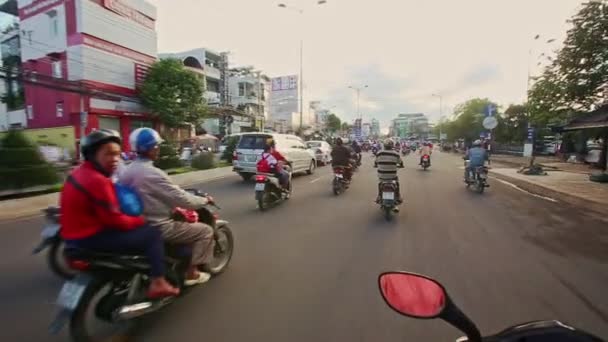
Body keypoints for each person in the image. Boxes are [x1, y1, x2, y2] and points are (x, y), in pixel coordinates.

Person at [60, 129, 179, 298]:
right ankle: (159, 282)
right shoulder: (98, 181)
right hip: (91, 239)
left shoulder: (77, 174)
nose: (115, 159)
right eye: (108, 154)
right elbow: (116, 221)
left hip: (73, 239)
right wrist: (139, 219)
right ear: (93, 155)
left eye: (117, 154)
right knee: (152, 234)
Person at [120, 128, 215, 286]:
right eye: (156, 146)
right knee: (206, 231)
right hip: (159, 225)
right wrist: (204, 200)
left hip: (136, 224)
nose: (158, 149)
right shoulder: (152, 173)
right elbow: (184, 200)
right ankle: (192, 273)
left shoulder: (127, 170)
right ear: (150, 149)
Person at [374, 139, 404, 210]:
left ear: (384, 146)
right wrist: (401, 165)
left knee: (380, 184)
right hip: (392, 176)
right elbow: (400, 162)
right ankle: (398, 196)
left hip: (382, 176)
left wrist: (376, 165)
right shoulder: (396, 153)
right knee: (396, 183)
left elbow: (376, 162)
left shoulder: (379, 153)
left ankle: (379, 196)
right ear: (392, 146)